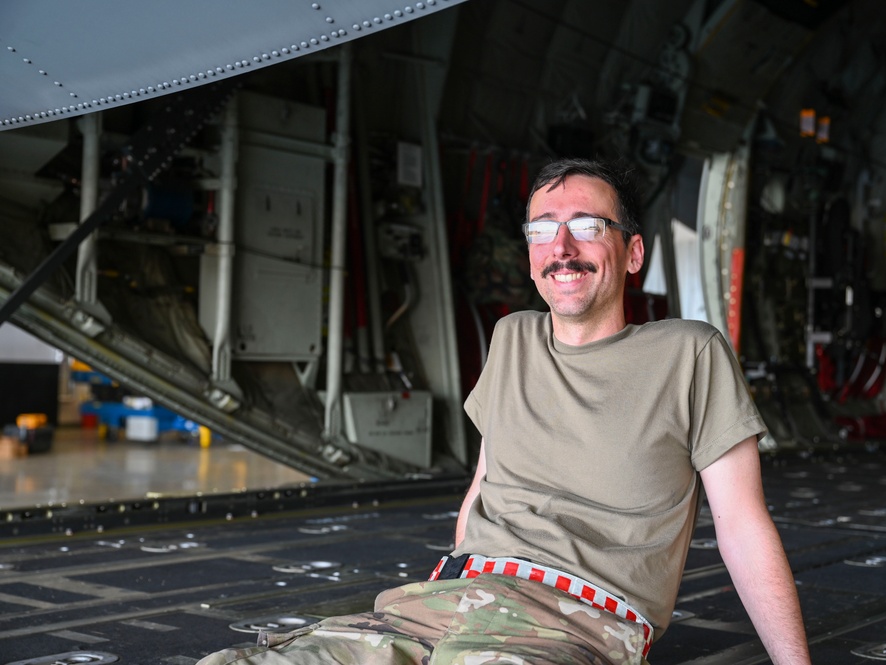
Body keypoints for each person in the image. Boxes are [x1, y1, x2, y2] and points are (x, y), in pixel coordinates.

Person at [197, 158, 811, 665]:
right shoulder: (512, 337)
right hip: (444, 601)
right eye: (542, 230)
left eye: (587, 226)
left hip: (572, 623)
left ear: (632, 254)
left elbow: (743, 525)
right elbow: (485, 484)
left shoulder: (689, 353)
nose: (562, 247)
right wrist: (453, 589)